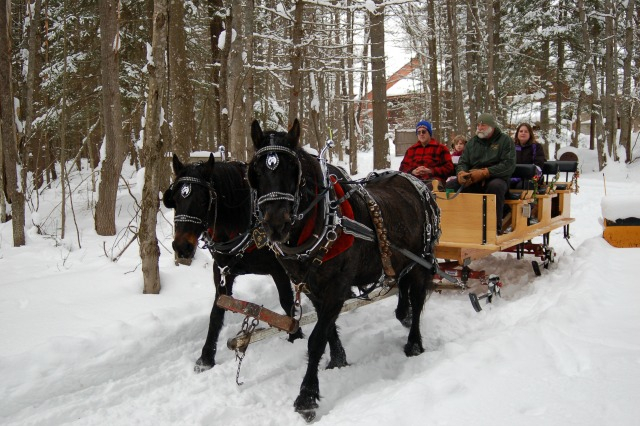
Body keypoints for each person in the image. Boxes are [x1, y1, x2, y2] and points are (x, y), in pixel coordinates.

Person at [446, 113, 516, 234]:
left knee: (495, 187)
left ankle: (493, 228)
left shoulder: (505, 141)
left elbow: (508, 165)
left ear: (492, 126)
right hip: (472, 177)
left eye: (483, 125)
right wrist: (461, 173)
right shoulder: (472, 143)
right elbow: (463, 161)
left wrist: (485, 172)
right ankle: (451, 226)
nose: (479, 127)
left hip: (496, 177)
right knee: (449, 187)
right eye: (478, 125)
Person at [399, 120, 454, 190]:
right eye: (418, 132)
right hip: (414, 182)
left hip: (434, 182)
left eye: (424, 132)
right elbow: (402, 168)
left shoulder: (441, 149)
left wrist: (431, 171)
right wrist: (413, 171)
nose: (421, 134)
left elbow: (449, 169)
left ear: (429, 133)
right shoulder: (411, 150)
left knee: (427, 190)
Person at [511, 122, 547, 188]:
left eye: (526, 131)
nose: (523, 133)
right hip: (513, 176)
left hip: (532, 177)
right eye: (521, 131)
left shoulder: (536, 147)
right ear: (517, 134)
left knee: (521, 186)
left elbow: (539, 165)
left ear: (530, 134)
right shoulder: (511, 147)